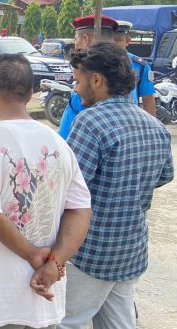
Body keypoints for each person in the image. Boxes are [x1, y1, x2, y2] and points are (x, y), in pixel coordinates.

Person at [0, 54, 92, 329]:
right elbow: (81, 209)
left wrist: (35, 255)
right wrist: (54, 263)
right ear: (31, 94)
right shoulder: (59, 143)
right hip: (42, 306)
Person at [58, 43, 173, 329]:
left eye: (78, 80)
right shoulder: (155, 125)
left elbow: (68, 186)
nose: (75, 89)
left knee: (63, 322)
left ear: (96, 80)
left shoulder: (90, 121)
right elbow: (165, 175)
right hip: (130, 250)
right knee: (119, 323)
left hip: (90, 252)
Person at [58, 15, 156, 139]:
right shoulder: (158, 130)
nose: (75, 43)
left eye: (76, 39)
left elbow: (148, 99)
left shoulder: (87, 121)